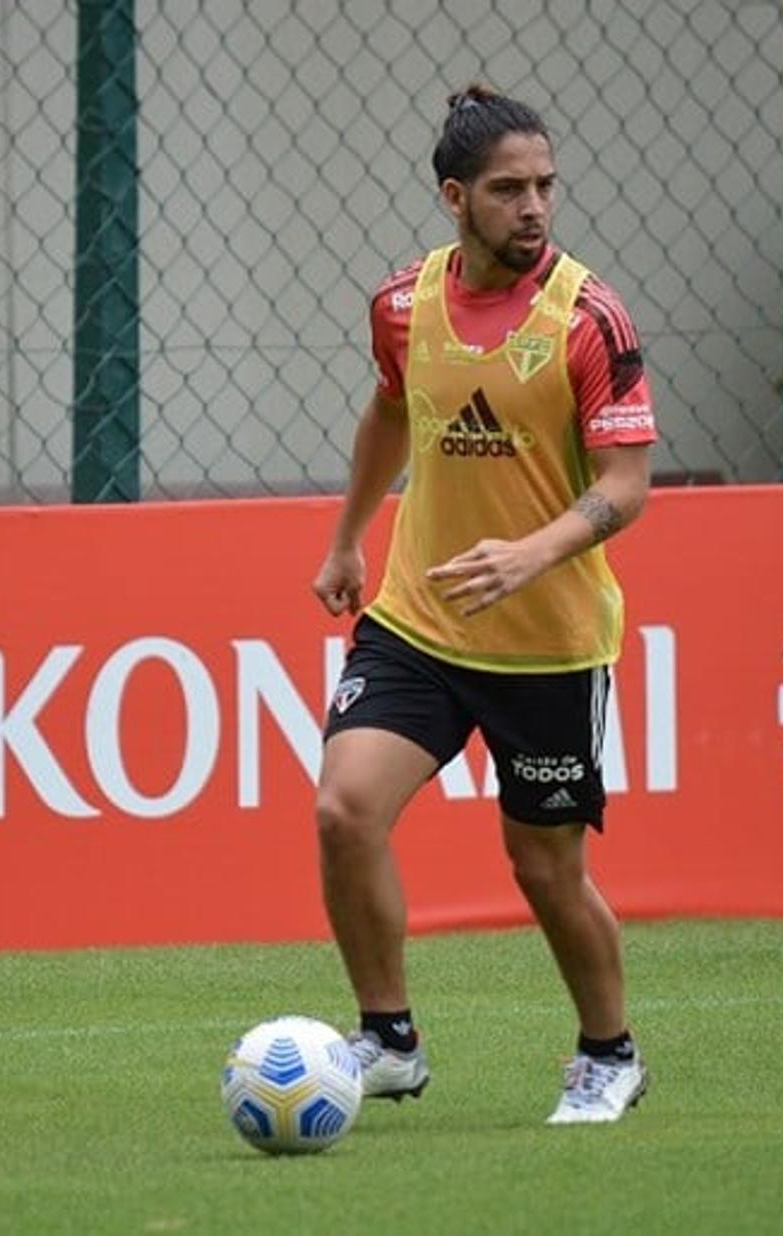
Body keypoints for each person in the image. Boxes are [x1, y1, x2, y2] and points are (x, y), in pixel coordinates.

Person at [311, 83, 657, 1126]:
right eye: (510, 189)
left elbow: (627, 484)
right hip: (420, 619)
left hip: (548, 641)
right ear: (455, 197)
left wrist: (530, 556)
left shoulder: (589, 318)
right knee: (343, 810)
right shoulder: (402, 305)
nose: (535, 206)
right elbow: (391, 412)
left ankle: (609, 1053)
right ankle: (389, 1040)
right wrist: (346, 540)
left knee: (544, 869)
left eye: (546, 186)